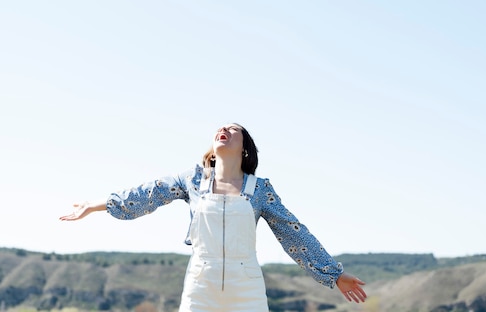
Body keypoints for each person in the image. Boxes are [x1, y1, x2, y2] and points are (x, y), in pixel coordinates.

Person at [60, 123, 367, 311]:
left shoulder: (260, 190)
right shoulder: (191, 180)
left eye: (234, 129)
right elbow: (145, 195)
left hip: (245, 289)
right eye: (221, 128)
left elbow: (293, 233)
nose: (225, 130)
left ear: (245, 148)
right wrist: (95, 204)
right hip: (201, 287)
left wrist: (333, 274)